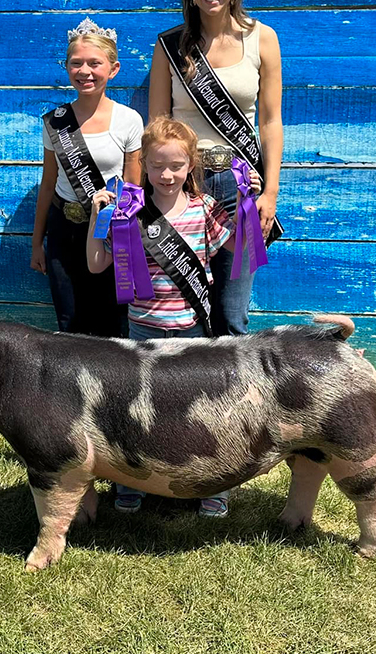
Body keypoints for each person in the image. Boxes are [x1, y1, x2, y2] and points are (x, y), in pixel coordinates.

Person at [87, 117, 258, 518]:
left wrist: (249, 201)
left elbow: (244, 248)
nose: (167, 174)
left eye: (176, 166)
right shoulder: (130, 211)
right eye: (158, 165)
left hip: (192, 329)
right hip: (142, 328)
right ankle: (130, 480)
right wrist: (98, 219)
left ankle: (214, 485)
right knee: (133, 410)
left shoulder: (204, 208)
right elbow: (97, 265)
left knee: (202, 412)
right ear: (143, 164)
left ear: (191, 166)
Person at [148, 0, 283, 336]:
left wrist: (271, 193)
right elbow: (157, 125)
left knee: (231, 312)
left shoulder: (264, 38)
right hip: (182, 185)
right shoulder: (169, 45)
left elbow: (271, 121)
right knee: (183, 303)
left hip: (240, 186)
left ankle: (239, 400)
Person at [31, 18, 142, 336]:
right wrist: (37, 242)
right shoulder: (56, 122)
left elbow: (133, 189)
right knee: (69, 323)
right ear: (66, 68)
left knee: (109, 324)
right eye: (76, 63)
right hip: (64, 230)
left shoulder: (128, 120)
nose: (85, 71)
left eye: (95, 63)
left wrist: (127, 246)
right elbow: (48, 183)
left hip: (109, 234)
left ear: (114, 68)